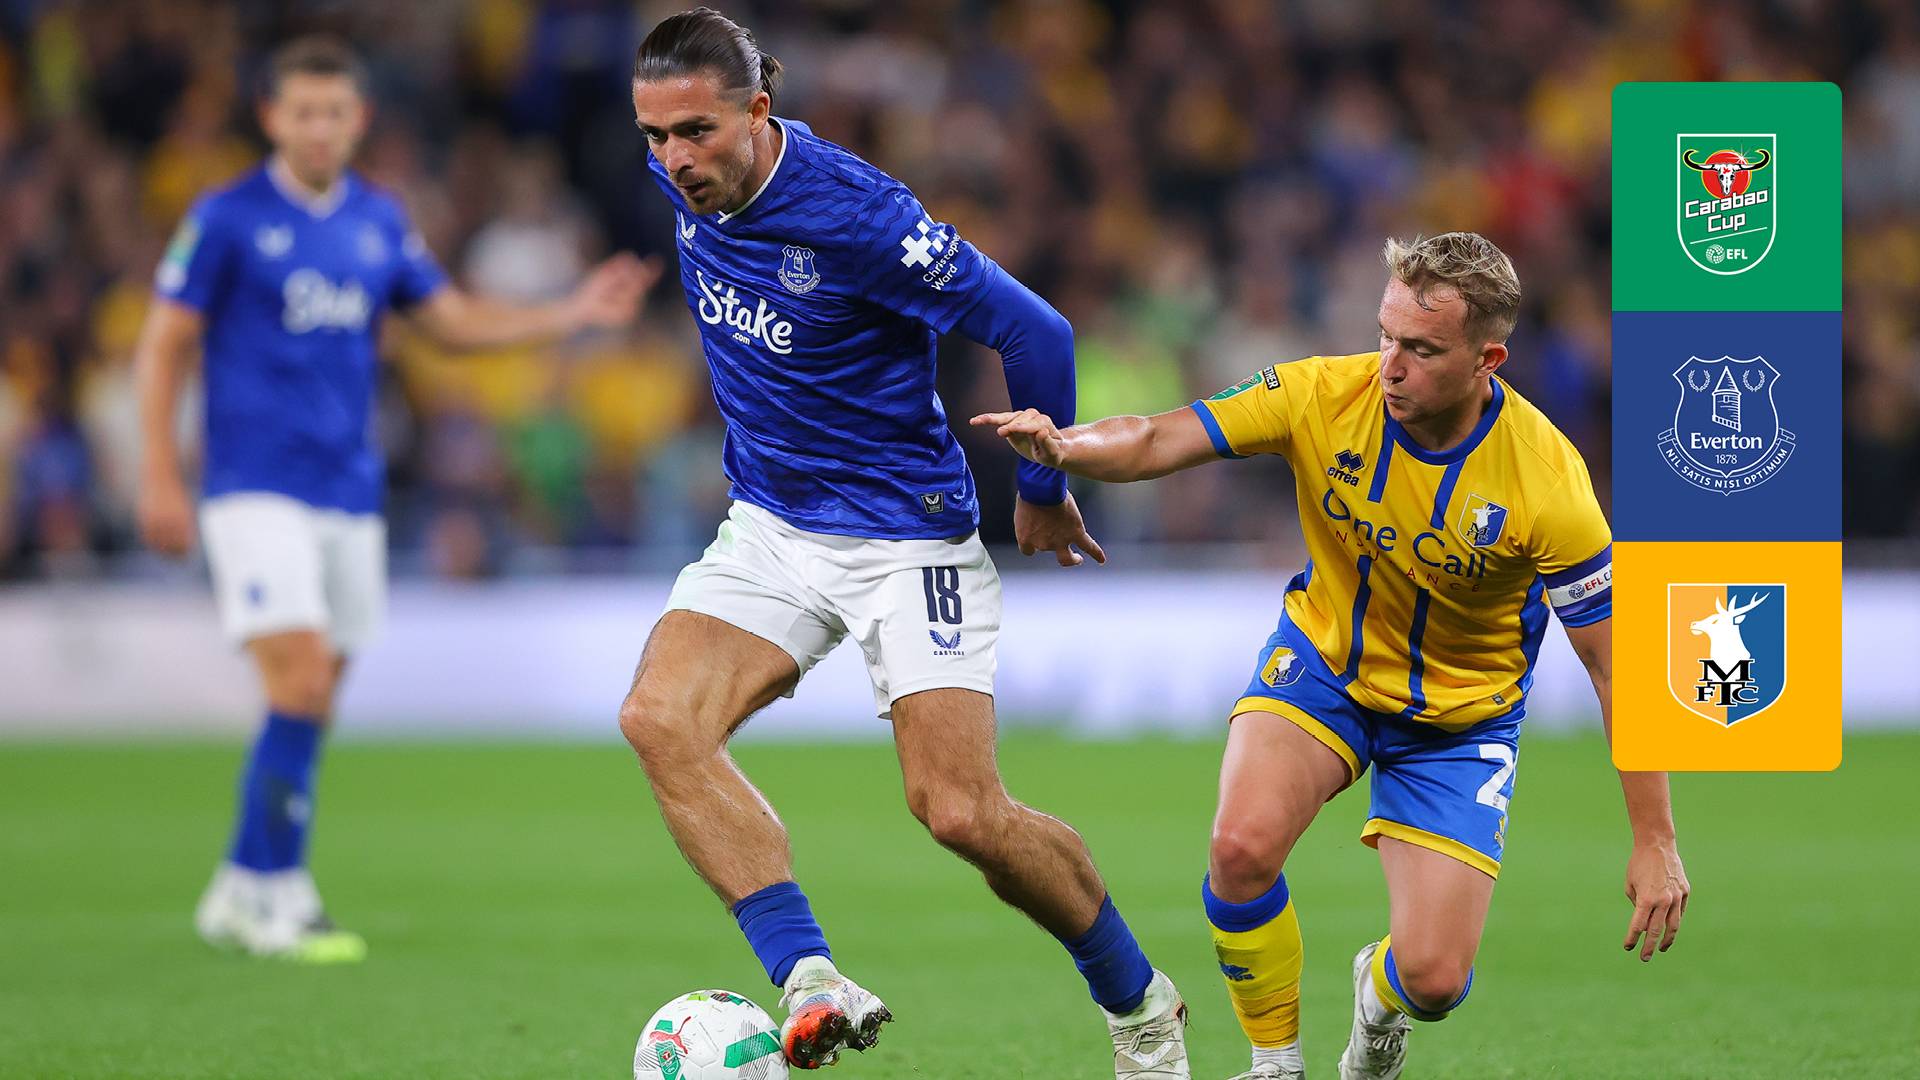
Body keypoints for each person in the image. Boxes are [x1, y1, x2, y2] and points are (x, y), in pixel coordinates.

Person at [620, 8, 1189, 1076]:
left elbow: (1037, 330)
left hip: (904, 536)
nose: (675, 159)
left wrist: (1042, 486)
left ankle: (1142, 1003)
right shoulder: (684, 181)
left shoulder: (859, 216)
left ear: (758, 109)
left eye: (695, 132)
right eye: (655, 136)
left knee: (961, 814)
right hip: (772, 524)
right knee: (659, 718)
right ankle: (810, 978)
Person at [975, 233, 1690, 1080]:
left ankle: (1379, 1000)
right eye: (1386, 335)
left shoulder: (1547, 482)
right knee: (1239, 849)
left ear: (1486, 360)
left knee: (1433, 981)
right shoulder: (1319, 393)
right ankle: (1275, 1062)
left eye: (1421, 349)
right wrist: (1066, 448)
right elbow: (1159, 436)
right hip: (1325, 666)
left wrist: (1655, 839)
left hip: (1460, 720)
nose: (1391, 365)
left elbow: (1615, 665)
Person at [135, 35, 652, 963]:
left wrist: (570, 312)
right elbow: (164, 342)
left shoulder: (377, 220)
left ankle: (237, 884)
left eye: (335, 113)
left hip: (348, 489)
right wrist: (158, 472)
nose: (319, 128)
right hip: (256, 486)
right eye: (303, 112)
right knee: (298, 680)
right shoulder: (227, 217)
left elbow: (449, 323)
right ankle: (281, 895)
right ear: (271, 117)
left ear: (359, 120)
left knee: (316, 695)